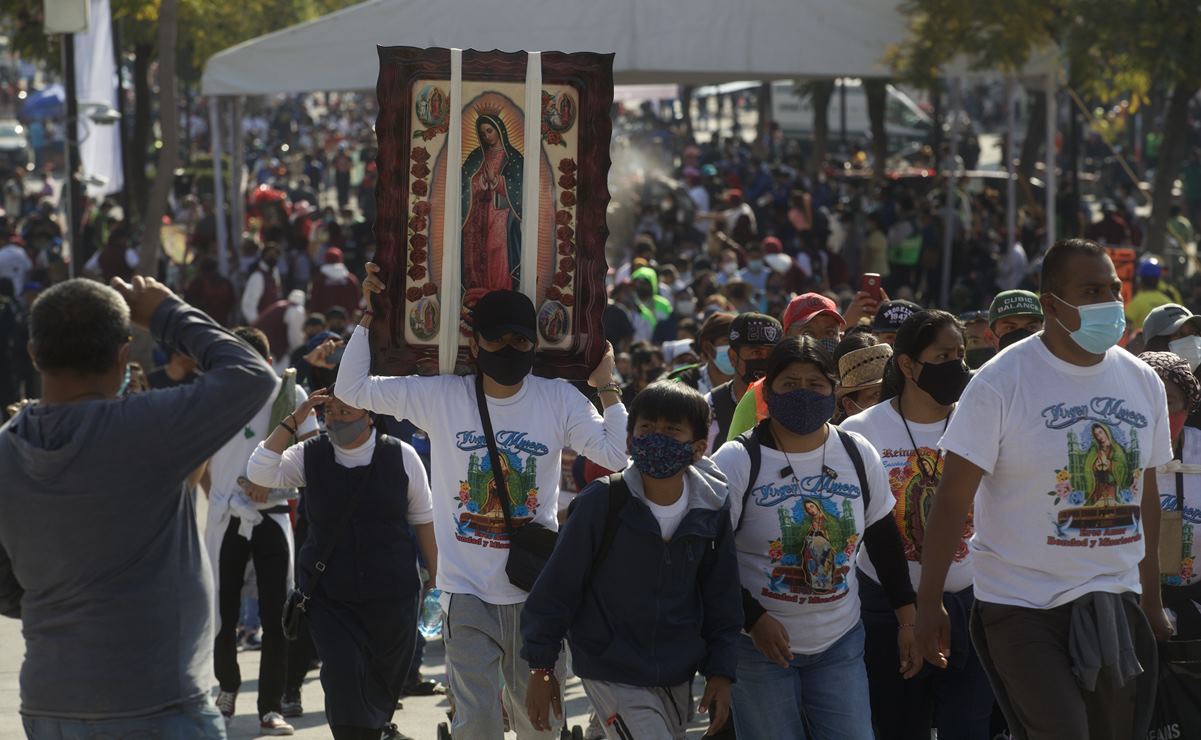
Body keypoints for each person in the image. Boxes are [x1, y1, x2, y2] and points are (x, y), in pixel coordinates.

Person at [336, 264, 629, 740]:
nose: (509, 351)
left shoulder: (559, 400)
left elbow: (614, 455)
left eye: (520, 341)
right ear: (476, 344)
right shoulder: (442, 397)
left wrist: (608, 388)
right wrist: (369, 317)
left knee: (541, 727)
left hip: (536, 593)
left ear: (535, 344)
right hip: (466, 591)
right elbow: (352, 390)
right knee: (479, 726)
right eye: (498, 341)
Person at [915, 239, 1173, 740]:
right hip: (1021, 604)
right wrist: (929, 603)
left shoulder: (1144, 382)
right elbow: (951, 498)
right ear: (1051, 305)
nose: (1110, 304)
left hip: (1112, 598)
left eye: (1114, 291)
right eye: (1092, 291)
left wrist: (1151, 599)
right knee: (1062, 730)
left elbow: (1145, 496)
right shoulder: (999, 382)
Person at [0, 277, 276, 737]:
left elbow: (7, 587)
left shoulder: (7, 450)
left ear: (33, 353)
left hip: (50, 704)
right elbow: (252, 374)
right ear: (123, 356)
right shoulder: (149, 429)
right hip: (158, 704)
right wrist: (166, 311)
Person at [710, 336, 919, 739]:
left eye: (816, 384)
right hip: (759, 651)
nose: (803, 393)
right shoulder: (737, 461)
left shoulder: (857, 452)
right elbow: (711, 557)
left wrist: (907, 621)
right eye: (789, 384)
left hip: (840, 643)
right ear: (768, 392)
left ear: (834, 391)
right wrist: (754, 621)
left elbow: (882, 537)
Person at [521, 381, 741, 739]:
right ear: (630, 440)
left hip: (676, 671)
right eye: (647, 428)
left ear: (699, 448)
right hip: (609, 668)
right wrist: (541, 667)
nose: (657, 437)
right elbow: (556, 589)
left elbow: (722, 597)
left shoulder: (712, 508)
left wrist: (721, 671)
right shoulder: (602, 502)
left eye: (672, 430)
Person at [247, 388, 438, 740]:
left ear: (369, 415)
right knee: (342, 677)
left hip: (394, 598)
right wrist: (294, 419)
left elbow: (423, 521)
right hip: (330, 600)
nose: (335, 419)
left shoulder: (403, 457)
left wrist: (435, 581)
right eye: (329, 412)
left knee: (382, 683)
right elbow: (260, 471)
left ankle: (378, 730)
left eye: (344, 411)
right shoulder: (309, 454)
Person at [841, 310, 993, 740]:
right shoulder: (860, 431)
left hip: (970, 602)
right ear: (907, 366)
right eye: (943, 355)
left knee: (968, 727)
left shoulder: (981, 419)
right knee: (898, 726)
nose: (956, 366)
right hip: (889, 608)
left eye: (961, 354)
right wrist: (907, 615)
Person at [206, 327, 318, 735]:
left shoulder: (292, 396)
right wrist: (222, 495)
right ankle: (226, 690)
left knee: (277, 614)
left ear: (269, 363)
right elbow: (202, 465)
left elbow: (313, 456)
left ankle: (270, 707)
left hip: (273, 515)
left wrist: (271, 484)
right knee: (224, 614)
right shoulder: (216, 398)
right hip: (227, 516)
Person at [1141, 352, 1201, 640]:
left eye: (1167, 401)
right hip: (1134, 610)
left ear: (1188, 407)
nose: (1158, 412)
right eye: (1146, 400)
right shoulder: (1118, 454)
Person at [462, 113, 524, 298]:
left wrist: (497, 182)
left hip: (502, 214)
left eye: (490, 131)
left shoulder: (513, 158)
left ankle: (500, 292)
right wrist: (479, 182)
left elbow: (520, 187)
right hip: (477, 214)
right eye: (483, 133)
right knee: (479, 251)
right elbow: (463, 183)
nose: (487, 136)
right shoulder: (477, 156)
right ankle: (482, 291)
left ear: (499, 130)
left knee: (496, 249)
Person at [704, 313, 783, 451]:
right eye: (756, 353)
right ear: (733, 357)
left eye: (771, 354)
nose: (765, 360)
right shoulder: (709, 408)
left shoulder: (786, 405)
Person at [667, 312, 735, 396]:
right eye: (727, 342)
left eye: (739, 343)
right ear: (708, 347)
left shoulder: (750, 382)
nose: (734, 349)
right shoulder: (681, 384)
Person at [834, 338, 892, 423]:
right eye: (877, 394)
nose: (889, 400)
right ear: (849, 405)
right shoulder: (839, 435)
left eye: (893, 390)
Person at [1126, 256, 1182, 331]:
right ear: (1158, 279)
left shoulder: (1138, 301)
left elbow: (1126, 323)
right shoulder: (1168, 301)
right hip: (1165, 341)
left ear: (1140, 280)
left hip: (1141, 341)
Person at [1140, 303, 1201, 371]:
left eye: (1195, 333)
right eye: (1179, 334)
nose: (1192, 341)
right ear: (1156, 343)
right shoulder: (1140, 377)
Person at [185, 256, 238, 326]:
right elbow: (233, 302)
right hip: (223, 323)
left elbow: (188, 301)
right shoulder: (225, 282)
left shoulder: (198, 282)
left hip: (203, 323)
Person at [310, 247, 362, 316]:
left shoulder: (319, 279)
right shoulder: (350, 279)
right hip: (347, 321)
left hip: (325, 321)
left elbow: (315, 301)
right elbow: (356, 302)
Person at [242, 244, 283, 324]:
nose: (273, 257)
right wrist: (256, 323)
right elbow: (248, 305)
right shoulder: (258, 276)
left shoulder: (274, 273)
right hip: (261, 324)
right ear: (263, 256)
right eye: (270, 255)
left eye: (275, 255)